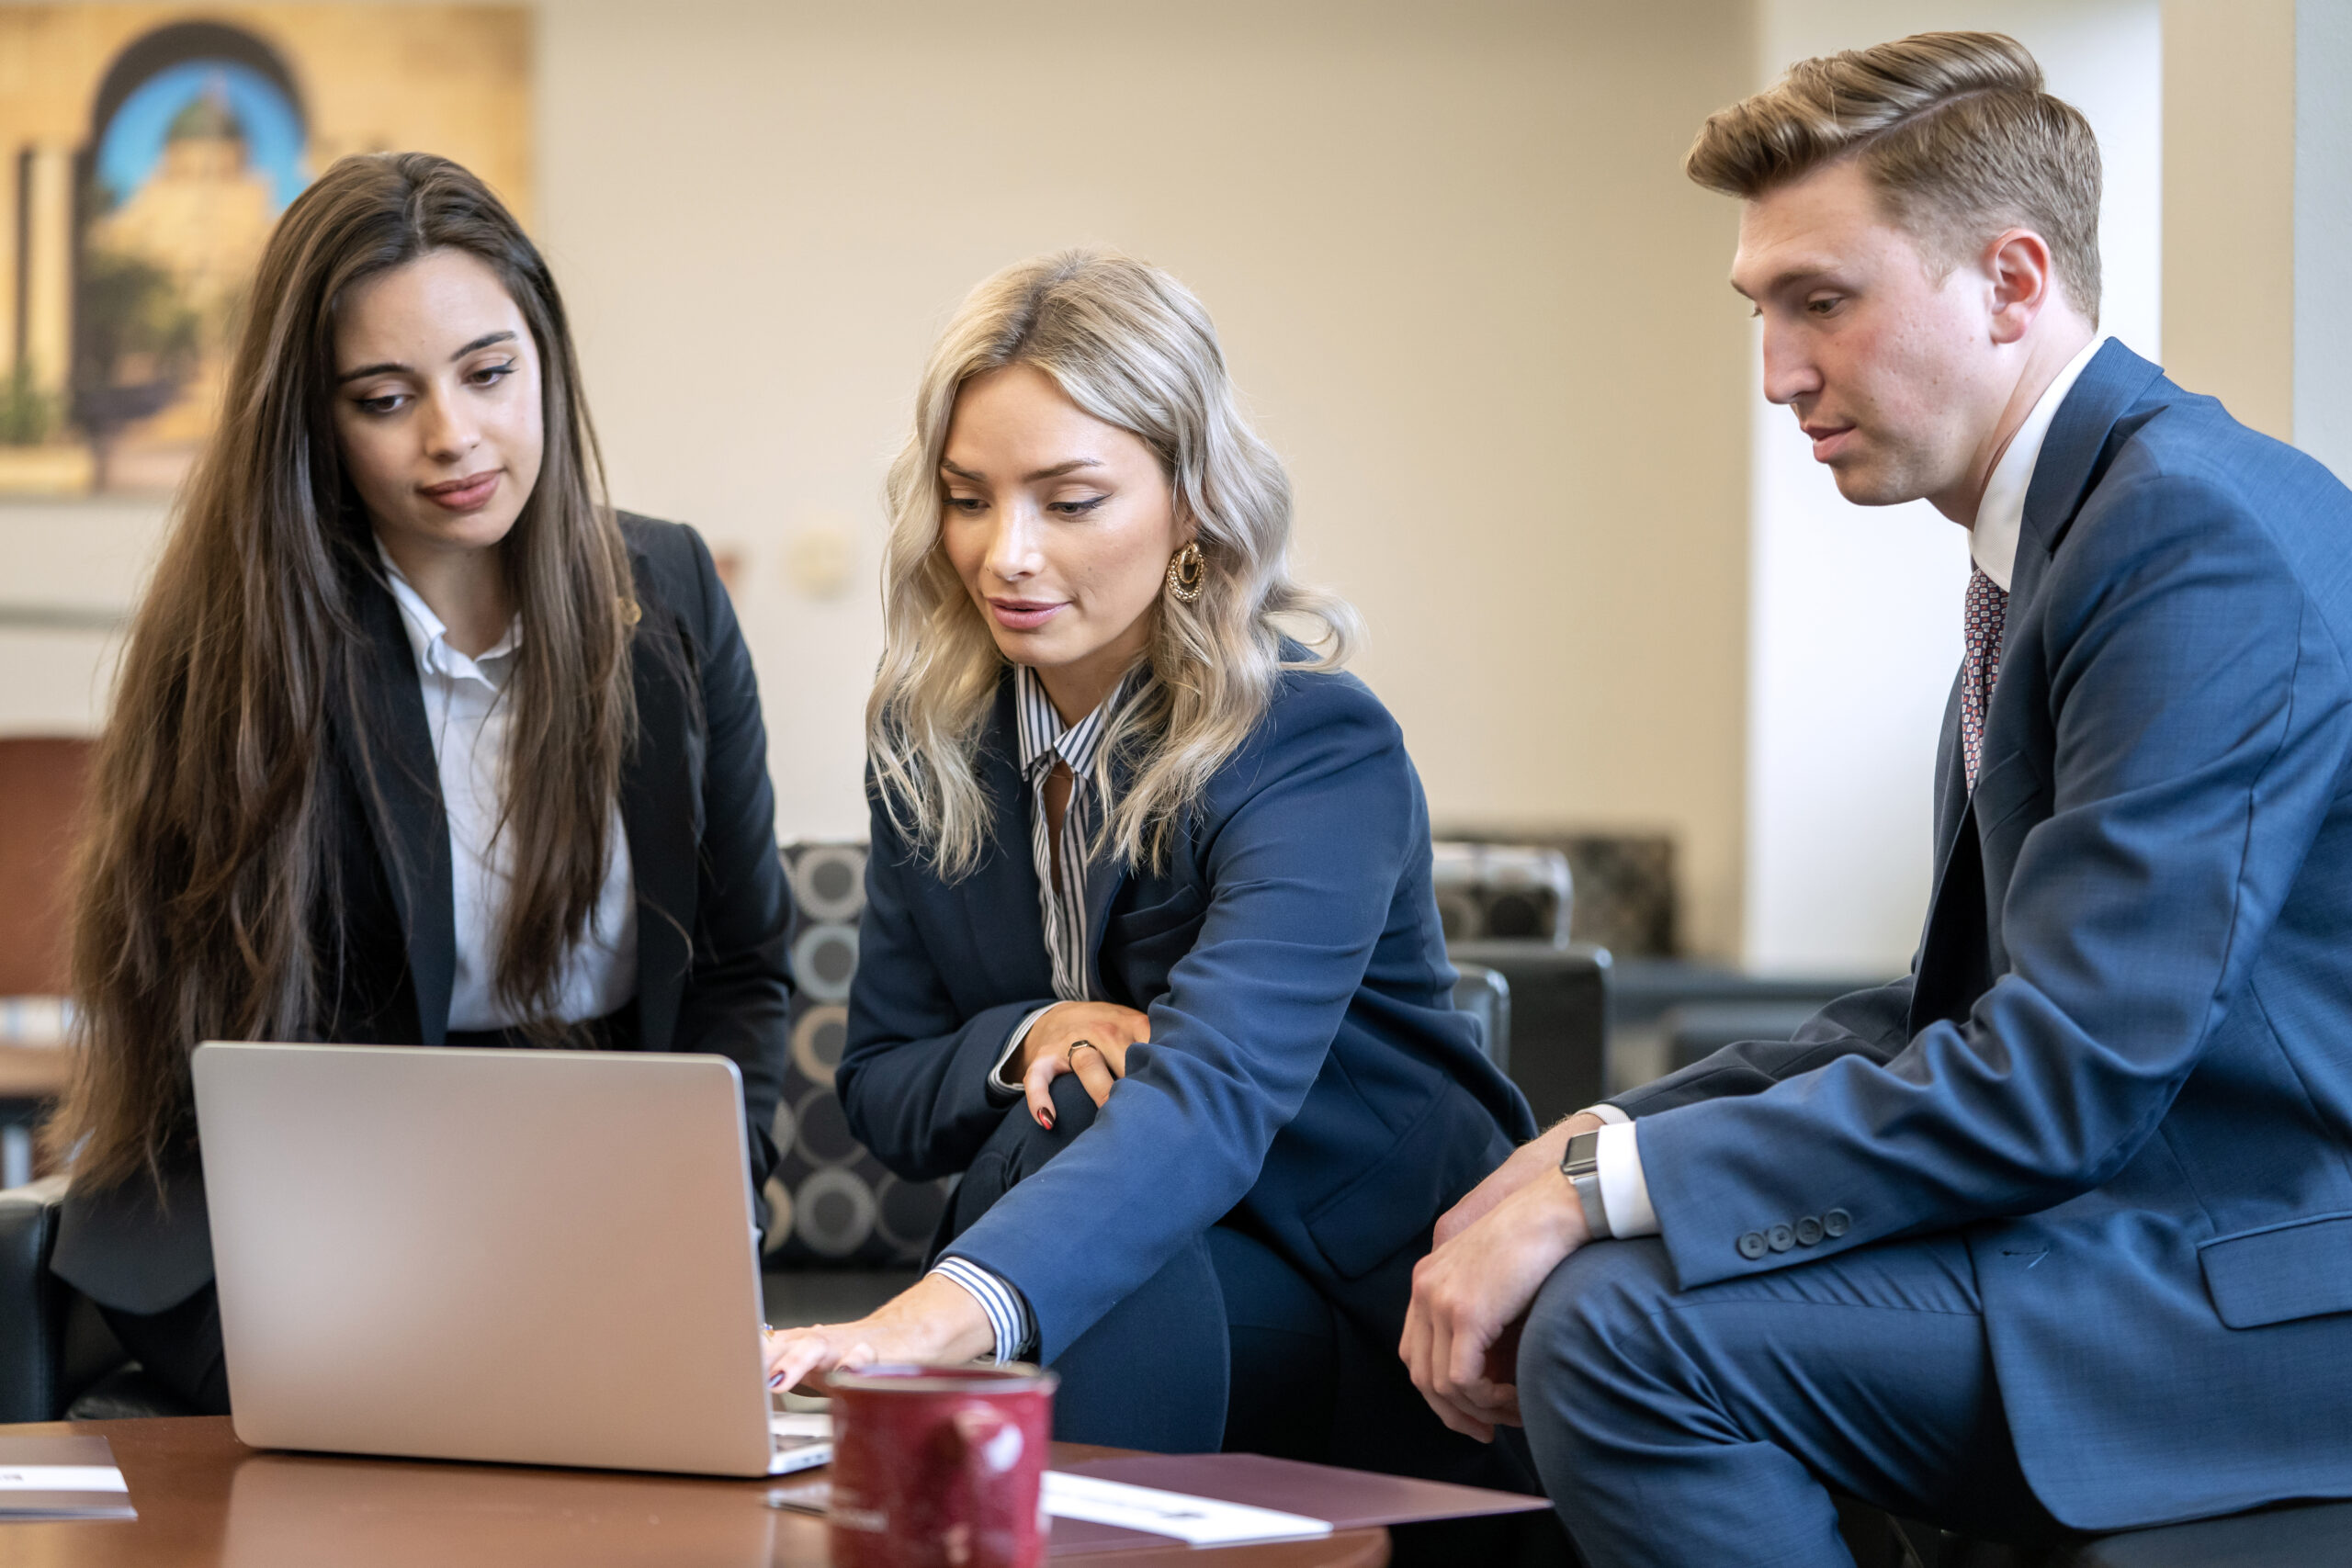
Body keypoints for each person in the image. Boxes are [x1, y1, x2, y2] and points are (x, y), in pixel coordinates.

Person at [1404, 30, 2352, 1565]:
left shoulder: (2190, 543)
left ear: (2013, 282)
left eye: (1822, 302)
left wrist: (1611, 1191)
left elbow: (2069, 1070)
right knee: (1543, 1257)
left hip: (2255, 1294)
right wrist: (1592, 1141)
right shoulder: (2075, 535)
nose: (1778, 372)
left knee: (1623, 1339)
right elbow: (1945, 1010)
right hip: (2141, 1232)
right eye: (1763, 308)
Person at [763, 250, 1537, 1482]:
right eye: (969, 499)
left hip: (1363, 1305)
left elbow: (1210, 1091)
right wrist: (1037, 1030)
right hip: (1108, 1262)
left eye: (1069, 503)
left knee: (1091, 1117)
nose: (1006, 555)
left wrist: (925, 1320)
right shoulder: (931, 739)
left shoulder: (1312, 745)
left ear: (1190, 502)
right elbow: (884, 1086)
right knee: (1064, 1099)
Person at [45, 152, 791, 1415]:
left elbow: (743, 970)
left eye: (490, 373)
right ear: (316, 422)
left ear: (544, 355)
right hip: (307, 1216)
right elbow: (212, 1033)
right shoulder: (240, 644)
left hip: (604, 1188)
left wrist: (704, 1210)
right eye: (386, 399)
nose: (455, 436)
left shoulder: (667, 599)